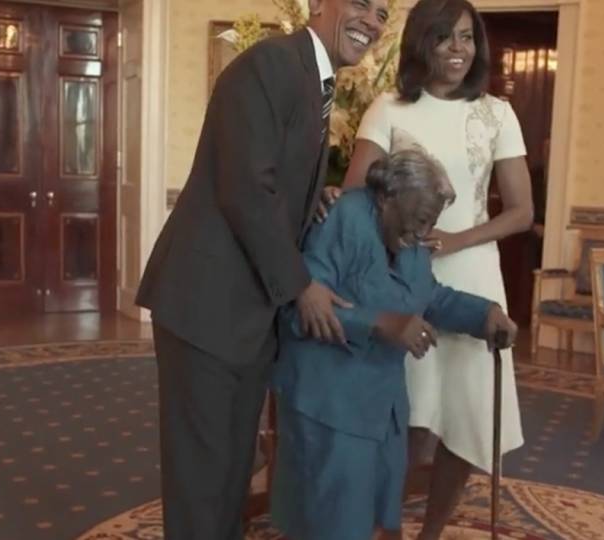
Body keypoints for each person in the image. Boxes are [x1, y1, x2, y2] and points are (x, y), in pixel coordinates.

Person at [134, 0, 390, 537]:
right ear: (320, 4)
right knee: (202, 479)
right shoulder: (271, 64)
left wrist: (311, 196)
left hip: (247, 314)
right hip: (205, 305)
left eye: (384, 13)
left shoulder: (316, 83)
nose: (373, 20)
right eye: (362, 4)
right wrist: (301, 286)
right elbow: (246, 189)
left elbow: (269, 177)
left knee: (231, 473)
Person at [343, 0, 534, 537]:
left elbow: (522, 212)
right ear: (421, 41)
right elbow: (357, 196)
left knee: (467, 419)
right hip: (404, 275)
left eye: (468, 37)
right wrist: (396, 242)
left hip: (474, 272)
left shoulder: (497, 113)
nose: (458, 49)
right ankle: (386, 527)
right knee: (409, 416)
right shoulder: (389, 108)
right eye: (446, 36)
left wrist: (456, 240)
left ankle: (430, 533)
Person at [272, 147, 518, 540]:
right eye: (421, 220)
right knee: (332, 522)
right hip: (328, 398)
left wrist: (483, 313)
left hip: (380, 404)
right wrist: (377, 323)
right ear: (387, 198)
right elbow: (299, 311)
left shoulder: (409, 241)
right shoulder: (342, 218)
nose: (424, 234)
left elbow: (429, 295)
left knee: (376, 514)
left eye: (432, 223)